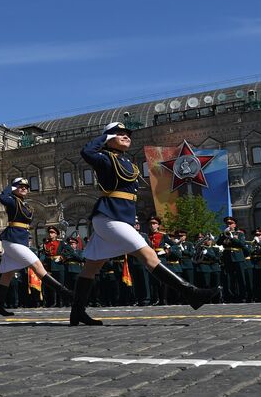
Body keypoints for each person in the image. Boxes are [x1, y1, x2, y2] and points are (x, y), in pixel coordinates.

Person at [70, 122, 217, 326]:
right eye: (119, 134)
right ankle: (191, 294)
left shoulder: (126, 161)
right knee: (149, 255)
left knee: (91, 267)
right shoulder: (104, 158)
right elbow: (86, 152)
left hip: (120, 216)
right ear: (109, 138)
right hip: (109, 216)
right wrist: (105, 137)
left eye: (127, 134)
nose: (125, 136)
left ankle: (77, 312)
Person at [0, 177, 70, 316]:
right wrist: (11, 187)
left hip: (19, 239)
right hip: (13, 239)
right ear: (14, 188)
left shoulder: (24, 204)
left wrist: (16, 187)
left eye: (26, 187)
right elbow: (2, 197)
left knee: (7, 275)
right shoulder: (12, 200)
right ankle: (65, 293)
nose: (24, 188)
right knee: (37, 265)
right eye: (20, 186)